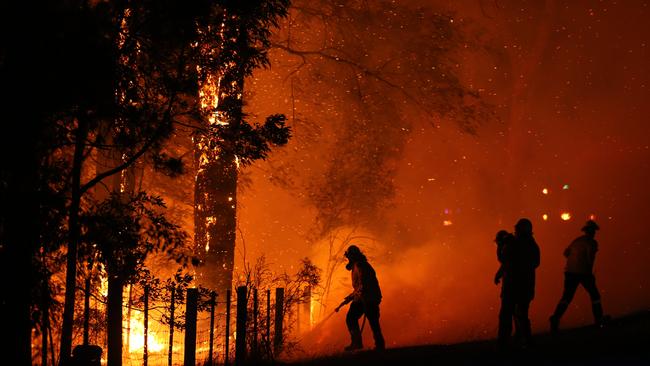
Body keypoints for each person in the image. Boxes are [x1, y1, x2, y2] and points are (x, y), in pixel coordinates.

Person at [549, 220, 608, 333]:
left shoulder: (576, 240)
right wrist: (589, 274)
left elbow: (566, 253)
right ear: (592, 231)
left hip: (570, 272)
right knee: (595, 295)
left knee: (567, 297)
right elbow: (590, 258)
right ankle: (599, 319)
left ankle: (555, 318)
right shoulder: (592, 243)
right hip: (583, 273)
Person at [497, 218, 540, 350]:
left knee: (506, 315)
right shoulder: (532, 245)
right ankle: (525, 342)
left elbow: (503, 259)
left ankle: (504, 344)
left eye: (517, 229)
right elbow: (535, 263)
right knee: (522, 315)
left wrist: (501, 245)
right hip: (525, 287)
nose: (515, 231)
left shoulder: (513, 243)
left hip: (512, 287)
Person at [342, 245, 385, 351]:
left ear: (352, 256)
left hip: (366, 298)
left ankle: (357, 343)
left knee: (351, 318)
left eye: (349, 257)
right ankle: (379, 345)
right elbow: (360, 286)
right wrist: (350, 297)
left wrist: (357, 296)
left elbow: (363, 284)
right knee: (374, 322)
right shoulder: (360, 265)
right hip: (369, 297)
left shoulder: (360, 266)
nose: (348, 259)